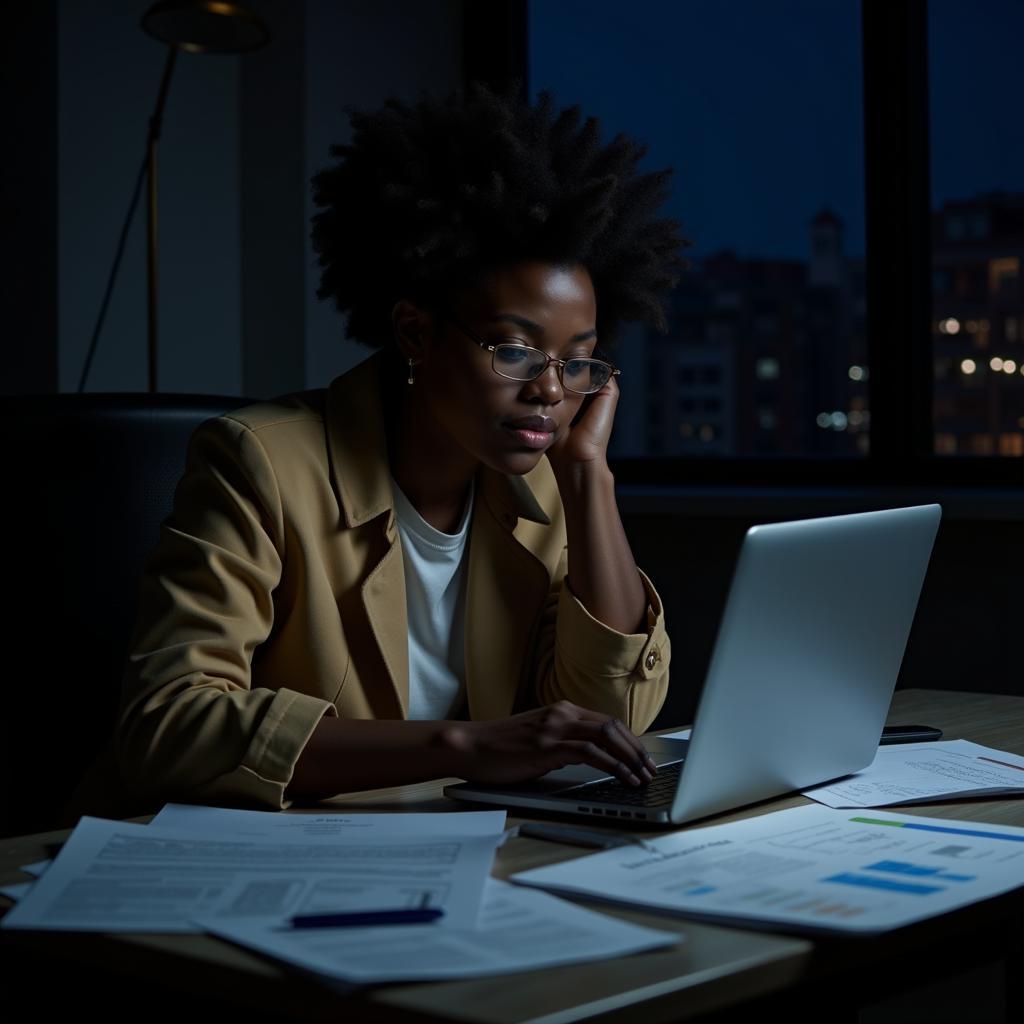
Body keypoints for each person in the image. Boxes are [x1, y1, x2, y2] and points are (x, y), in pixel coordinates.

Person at [75, 84, 688, 818]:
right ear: (415, 334)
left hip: (454, 851)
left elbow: (610, 717)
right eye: (517, 352)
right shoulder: (260, 464)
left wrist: (590, 478)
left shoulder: (545, 486)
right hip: (267, 858)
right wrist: (464, 745)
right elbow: (167, 728)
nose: (551, 391)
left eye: (579, 361)